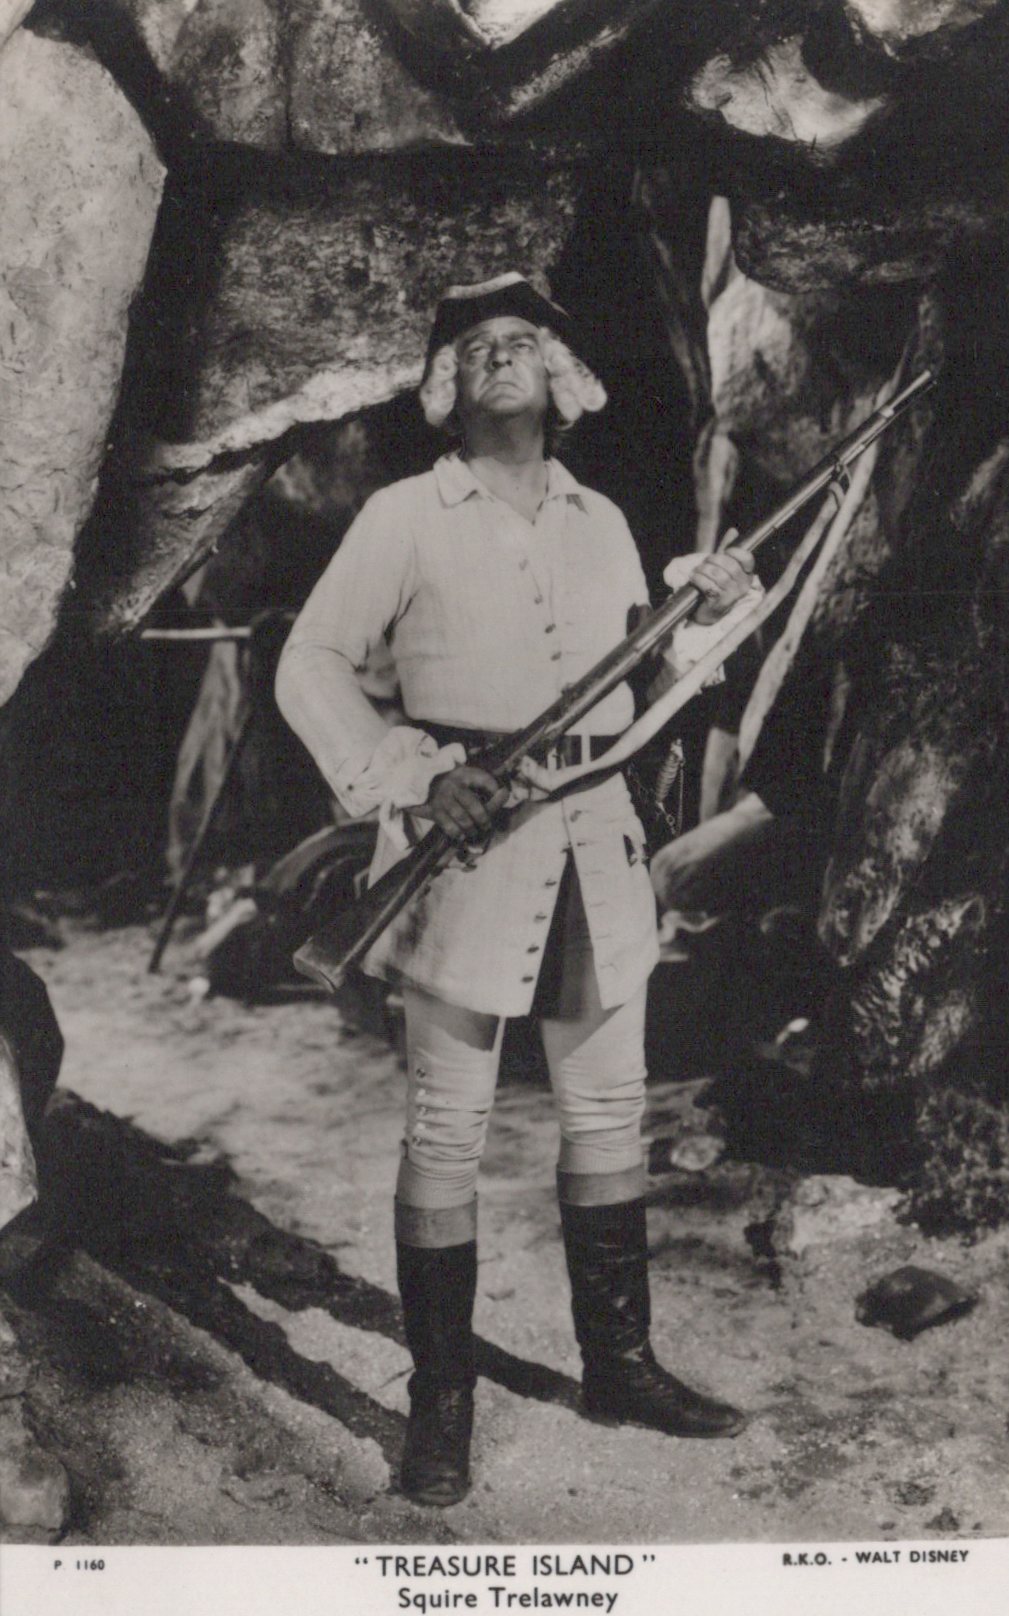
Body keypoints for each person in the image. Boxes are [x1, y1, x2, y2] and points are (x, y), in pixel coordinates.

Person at [275, 272, 760, 1507]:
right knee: (448, 1124)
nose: (499, 357)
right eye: (475, 345)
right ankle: (441, 1405)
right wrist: (408, 777)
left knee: (609, 1112)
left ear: (560, 379)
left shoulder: (602, 520)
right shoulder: (401, 514)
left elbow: (642, 701)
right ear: (445, 388)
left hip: (595, 839)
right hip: (462, 844)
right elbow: (312, 661)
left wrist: (702, 621)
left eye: (523, 341)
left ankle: (621, 1364)